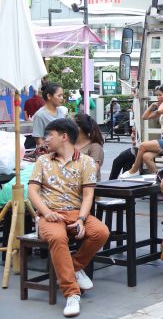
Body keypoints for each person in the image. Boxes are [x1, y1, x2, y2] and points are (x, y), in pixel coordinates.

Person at [27, 118, 109, 317]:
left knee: (101, 232)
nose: (46, 139)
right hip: (50, 214)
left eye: (49, 135)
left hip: (75, 212)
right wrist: (46, 212)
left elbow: (88, 196)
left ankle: (72, 267)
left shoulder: (86, 162)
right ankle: (72, 293)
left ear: (64, 137)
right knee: (57, 238)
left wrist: (81, 219)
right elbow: (32, 191)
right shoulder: (43, 161)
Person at [119, 84, 163, 177]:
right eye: (157, 95)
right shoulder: (162, 110)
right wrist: (152, 106)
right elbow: (144, 117)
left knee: (142, 145)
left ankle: (134, 170)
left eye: (160, 95)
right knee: (146, 157)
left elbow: (160, 110)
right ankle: (158, 178)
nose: (158, 97)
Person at [74, 113, 105, 181]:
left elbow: (92, 172)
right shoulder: (69, 144)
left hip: (87, 185)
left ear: (79, 128)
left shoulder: (95, 147)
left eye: (71, 124)